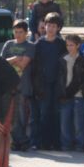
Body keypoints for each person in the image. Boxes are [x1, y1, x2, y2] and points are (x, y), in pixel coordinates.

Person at [31, 12, 66, 150]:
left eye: (54, 26)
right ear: (44, 26)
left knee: (56, 113)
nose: (50, 28)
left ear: (58, 28)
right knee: (44, 114)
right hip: (43, 84)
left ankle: (56, 143)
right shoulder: (39, 44)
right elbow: (34, 67)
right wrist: (37, 85)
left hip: (57, 84)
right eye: (48, 25)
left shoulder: (61, 44)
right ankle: (44, 143)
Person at [0, 20, 34, 151]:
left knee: (21, 116)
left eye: (20, 32)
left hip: (22, 86)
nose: (18, 34)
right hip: (8, 86)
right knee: (10, 115)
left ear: (26, 33)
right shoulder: (8, 44)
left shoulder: (30, 46)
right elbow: (1, 62)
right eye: (16, 32)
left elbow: (23, 64)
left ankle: (23, 141)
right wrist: (15, 58)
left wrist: (13, 61)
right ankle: (14, 141)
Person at [58, 35, 84, 152]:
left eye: (71, 45)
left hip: (78, 94)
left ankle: (81, 145)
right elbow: (60, 78)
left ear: (78, 45)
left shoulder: (83, 60)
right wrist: (62, 92)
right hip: (64, 95)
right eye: (67, 45)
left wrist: (69, 92)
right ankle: (66, 145)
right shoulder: (62, 59)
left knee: (79, 122)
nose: (69, 47)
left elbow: (81, 79)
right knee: (65, 122)